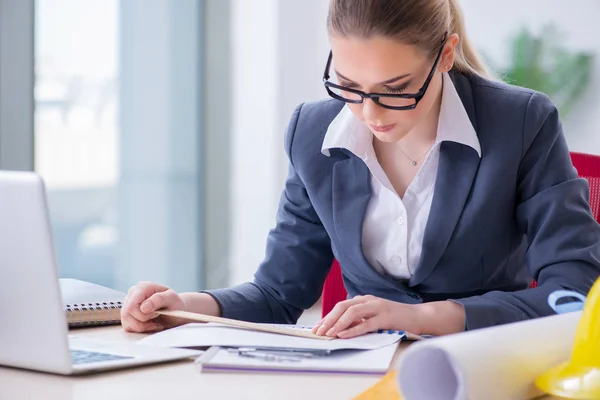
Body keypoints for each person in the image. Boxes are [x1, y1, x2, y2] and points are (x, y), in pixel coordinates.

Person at [121, 0, 600, 338]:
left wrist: (422, 317)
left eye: (395, 89)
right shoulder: (312, 131)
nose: (369, 113)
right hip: (354, 378)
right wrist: (187, 308)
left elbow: (575, 292)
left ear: (446, 54)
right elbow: (277, 294)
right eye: (348, 85)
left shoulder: (519, 122)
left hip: (478, 368)